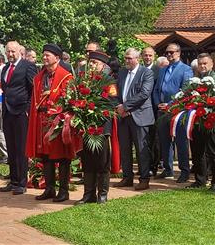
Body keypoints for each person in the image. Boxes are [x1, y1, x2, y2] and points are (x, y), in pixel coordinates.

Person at [26, 43, 82, 202]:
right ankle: (49, 188)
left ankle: (63, 191)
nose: (44, 57)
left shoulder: (67, 77)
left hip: (58, 122)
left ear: (57, 58)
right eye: (43, 55)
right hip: (42, 121)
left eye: (47, 55)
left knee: (63, 157)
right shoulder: (38, 77)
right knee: (45, 157)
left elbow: (71, 101)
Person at [75, 51, 115, 204]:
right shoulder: (84, 80)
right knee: (87, 162)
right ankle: (88, 194)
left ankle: (102, 194)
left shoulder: (109, 81)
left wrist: (95, 117)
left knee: (102, 162)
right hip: (86, 128)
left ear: (103, 65)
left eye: (95, 63)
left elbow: (111, 103)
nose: (91, 65)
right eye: (90, 62)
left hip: (101, 128)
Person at [0, 41, 37, 195]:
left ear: (20, 52)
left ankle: (21, 182)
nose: (10, 54)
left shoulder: (27, 66)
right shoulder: (6, 68)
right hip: (7, 112)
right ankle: (13, 180)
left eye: (13, 51)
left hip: (21, 111)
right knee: (11, 147)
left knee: (21, 148)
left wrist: (28, 109)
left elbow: (33, 88)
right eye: (8, 51)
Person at [114, 48, 154, 190]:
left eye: (130, 58)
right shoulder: (123, 72)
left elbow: (144, 94)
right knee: (125, 148)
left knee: (141, 149)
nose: (127, 61)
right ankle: (127, 177)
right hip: (124, 117)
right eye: (125, 58)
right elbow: (117, 91)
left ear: (137, 58)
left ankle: (144, 179)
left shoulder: (146, 73)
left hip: (140, 116)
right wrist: (119, 106)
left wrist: (126, 107)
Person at [153, 43, 193, 182]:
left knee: (180, 142)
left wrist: (170, 104)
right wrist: (158, 103)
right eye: (167, 53)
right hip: (162, 111)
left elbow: (186, 91)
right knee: (164, 142)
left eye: (171, 52)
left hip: (178, 111)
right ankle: (167, 169)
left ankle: (184, 171)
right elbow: (157, 89)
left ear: (179, 53)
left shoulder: (186, 70)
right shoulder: (163, 70)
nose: (169, 55)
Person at [188, 53, 215, 189]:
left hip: (212, 120)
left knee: (212, 151)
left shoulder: (213, 78)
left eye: (205, 63)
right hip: (198, 120)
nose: (202, 66)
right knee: (198, 151)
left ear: (211, 64)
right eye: (200, 64)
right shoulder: (195, 80)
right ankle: (200, 180)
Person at [141, 47, 160, 176]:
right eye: (145, 55)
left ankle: (153, 166)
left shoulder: (158, 71)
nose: (148, 58)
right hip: (140, 110)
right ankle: (144, 166)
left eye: (150, 55)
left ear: (154, 56)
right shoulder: (139, 70)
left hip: (153, 108)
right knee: (143, 140)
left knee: (154, 139)